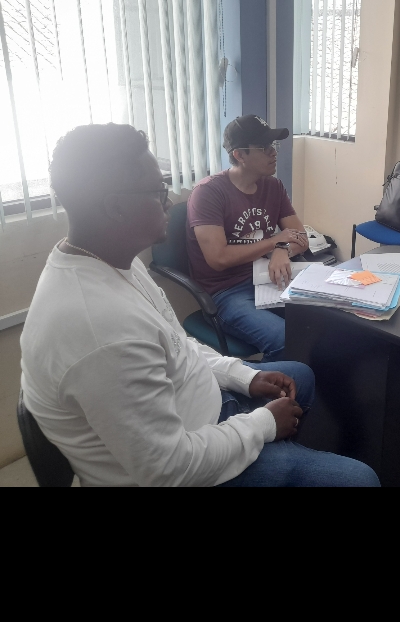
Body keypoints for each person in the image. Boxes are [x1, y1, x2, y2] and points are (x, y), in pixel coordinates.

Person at [20, 124, 379, 488]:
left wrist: (245, 376)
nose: (168, 202)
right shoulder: (99, 330)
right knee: (361, 480)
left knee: (300, 374)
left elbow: (178, 345)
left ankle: (285, 455)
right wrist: (264, 424)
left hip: (202, 407)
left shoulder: (115, 262)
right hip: (187, 467)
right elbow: (169, 470)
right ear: (115, 207)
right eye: (157, 190)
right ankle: (283, 459)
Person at [186, 115, 308, 360]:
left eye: (273, 145)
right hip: (226, 293)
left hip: (269, 277)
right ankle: (266, 384)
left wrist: (282, 248)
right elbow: (219, 258)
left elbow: (300, 237)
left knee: (326, 319)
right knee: (285, 339)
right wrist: (274, 242)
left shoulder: (273, 187)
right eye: (263, 147)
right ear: (239, 154)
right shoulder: (208, 193)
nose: (273, 152)